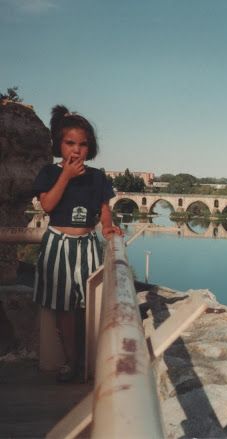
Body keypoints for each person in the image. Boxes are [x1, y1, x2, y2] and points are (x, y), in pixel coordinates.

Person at [32, 105, 121, 382]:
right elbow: (47, 205)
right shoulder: (49, 173)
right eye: (70, 143)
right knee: (64, 309)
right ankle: (73, 362)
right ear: (59, 145)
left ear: (89, 148)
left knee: (90, 306)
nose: (76, 150)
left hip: (87, 246)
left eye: (82, 145)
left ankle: (90, 359)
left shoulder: (97, 177)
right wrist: (66, 176)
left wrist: (107, 226)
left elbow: (103, 208)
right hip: (59, 247)